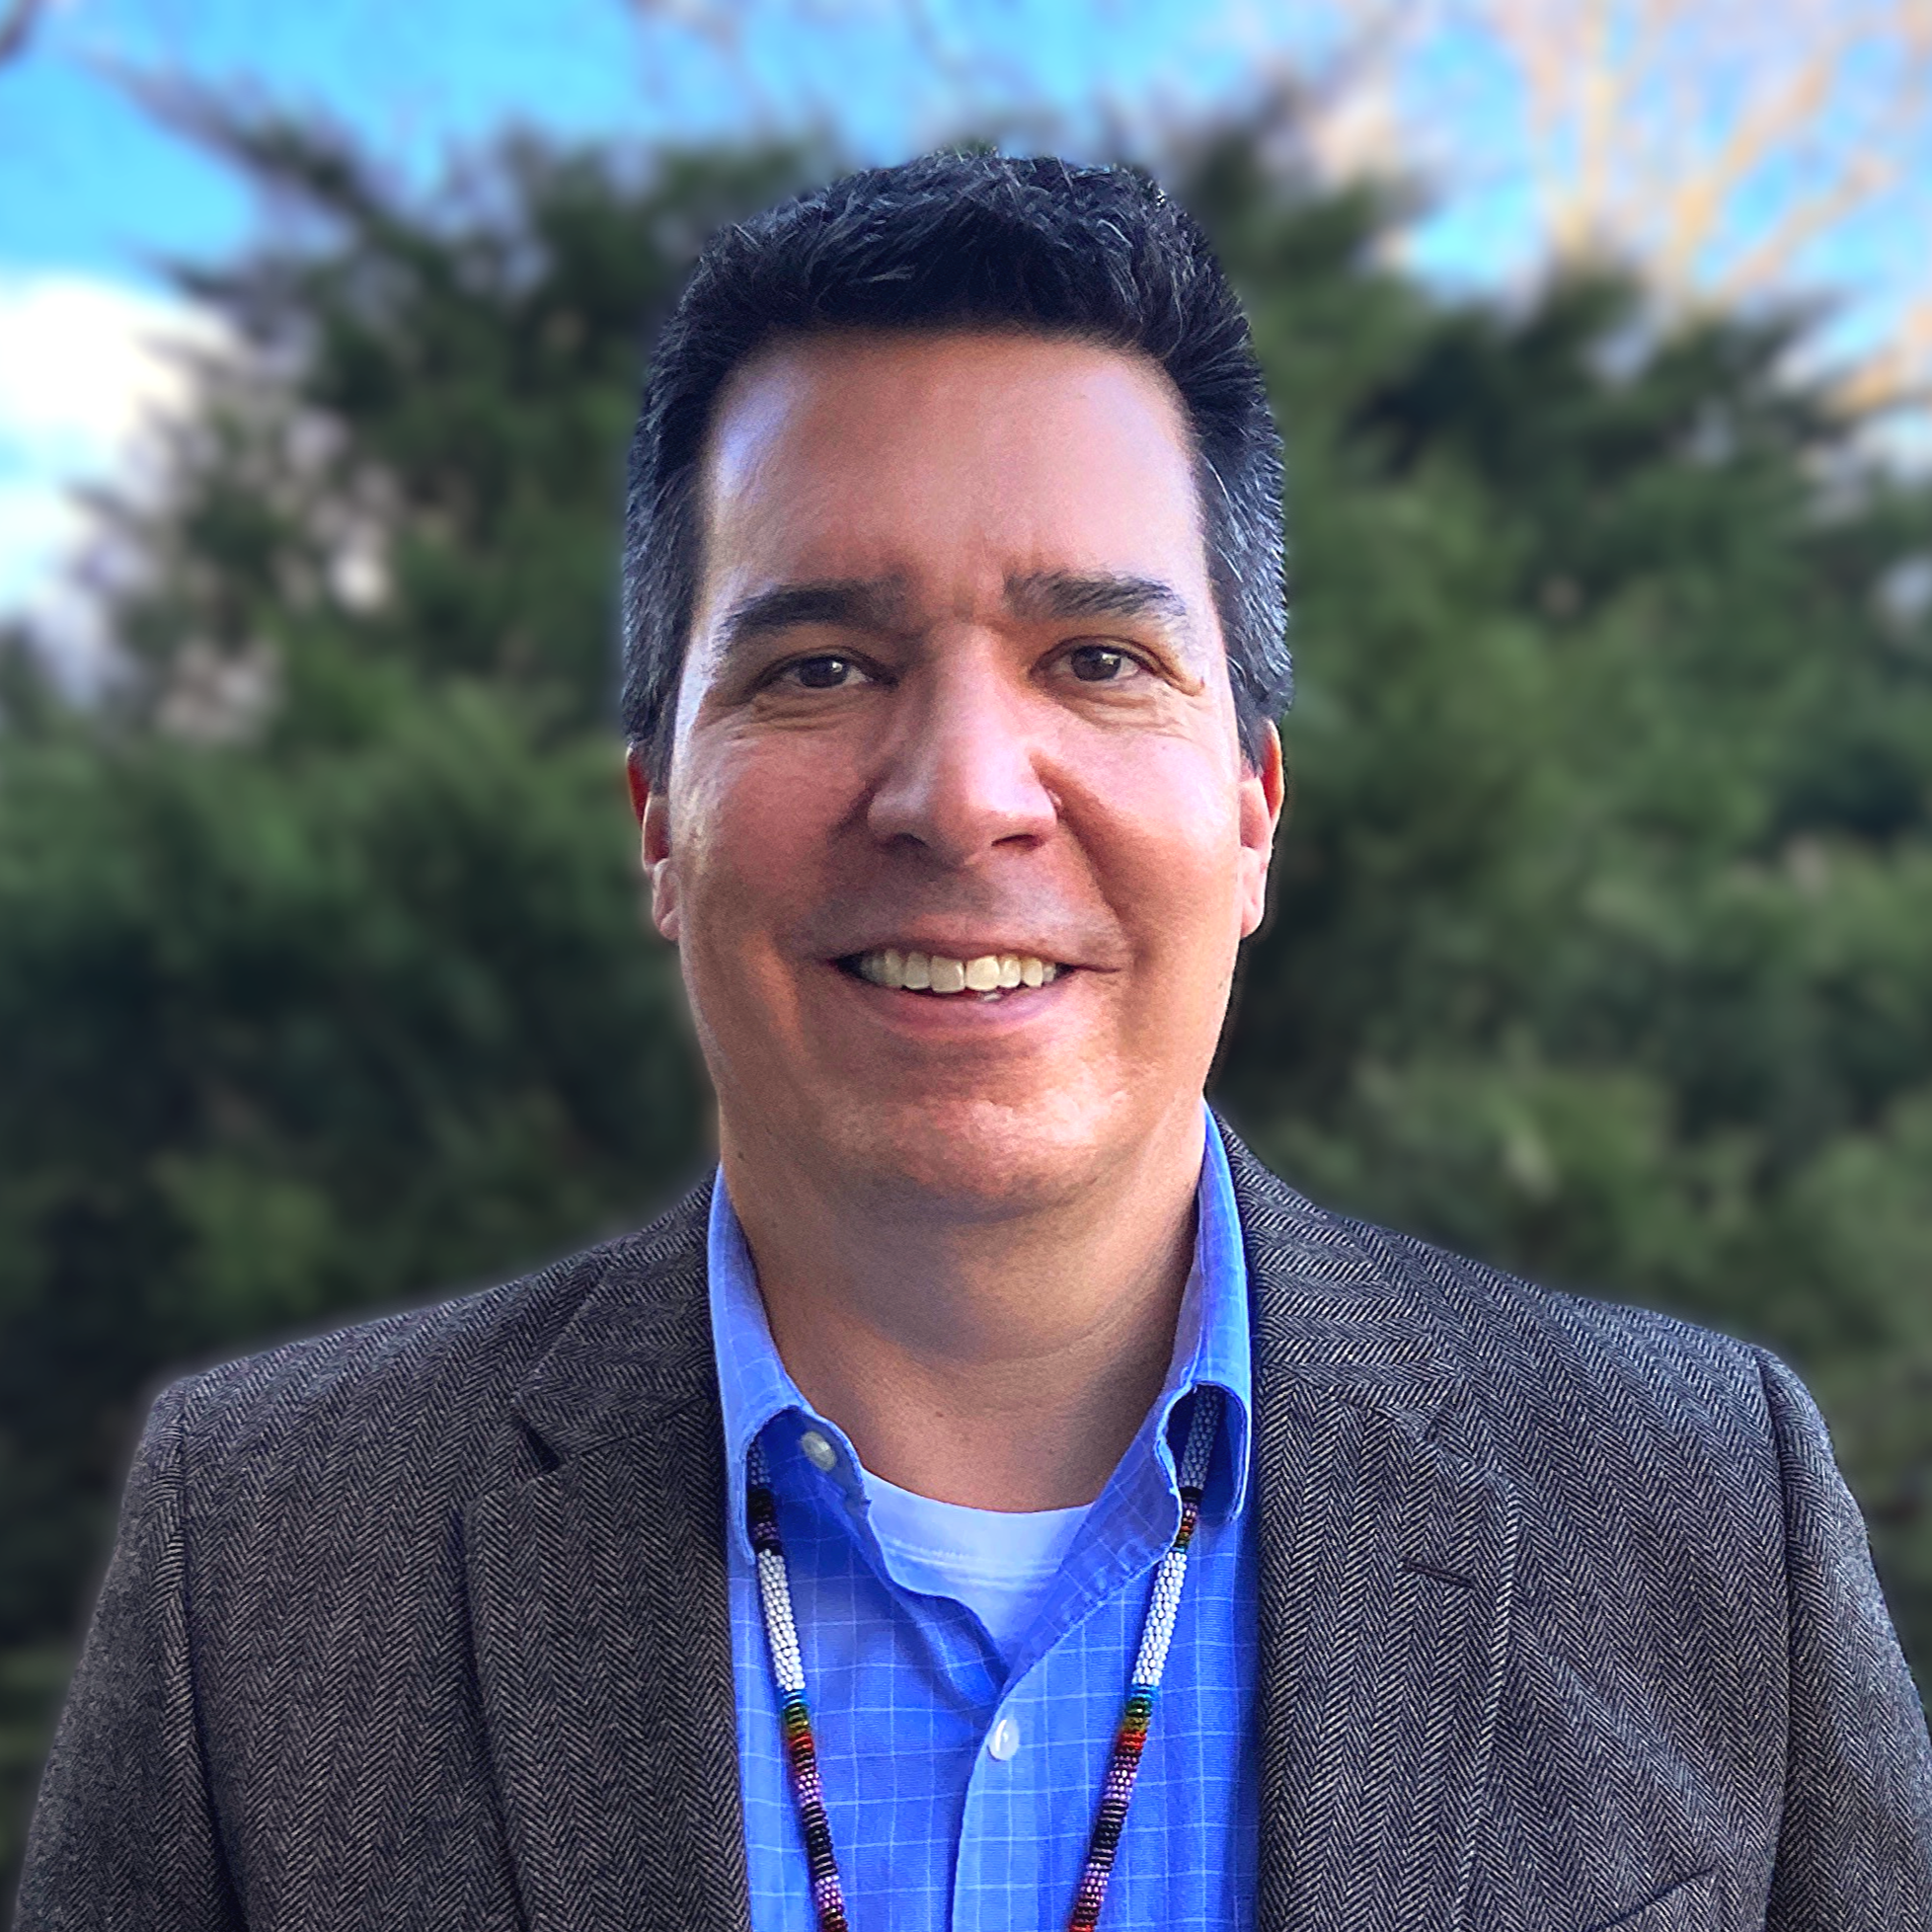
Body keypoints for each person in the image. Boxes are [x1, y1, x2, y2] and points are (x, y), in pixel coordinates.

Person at [17, 152, 1932, 1932]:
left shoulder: (1701, 1511)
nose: (961, 794)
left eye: (1097, 659)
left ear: (1252, 812)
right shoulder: (268, 1553)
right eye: (820, 667)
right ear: (659, 825)